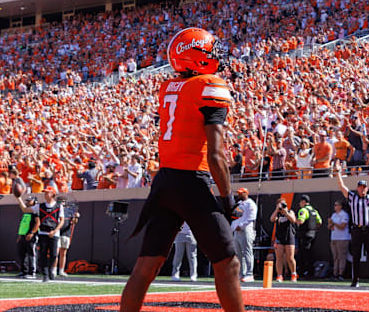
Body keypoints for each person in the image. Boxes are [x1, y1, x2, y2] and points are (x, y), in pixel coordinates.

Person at [120, 28, 243, 312]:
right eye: (210, 52)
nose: (217, 57)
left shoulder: (169, 87)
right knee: (228, 262)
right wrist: (227, 199)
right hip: (191, 180)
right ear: (197, 58)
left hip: (164, 180)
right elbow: (215, 154)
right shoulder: (210, 85)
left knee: (146, 266)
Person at [335, 168, 369, 288]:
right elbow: (342, 186)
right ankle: (355, 280)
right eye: (360, 187)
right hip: (357, 229)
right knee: (356, 256)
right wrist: (338, 172)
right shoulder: (352, 197)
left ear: (367, 188)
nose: (362, 189)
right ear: (357, 188)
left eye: (364, 187)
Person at [16, 186, 64, 282]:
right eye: (45, 192)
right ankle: (45, 274)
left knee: (54, 255)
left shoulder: (59, 206)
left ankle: (51, 270)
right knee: (43, 254)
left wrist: (54, 231)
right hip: (43, 233)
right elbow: (25, 209)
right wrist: (18, 198)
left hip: (54, 233)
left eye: (47, 192)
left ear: (53, 194)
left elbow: (61, 221)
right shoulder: (40, 206)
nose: (45, 194)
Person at [231, 187, 257, 282]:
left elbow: (251, 218)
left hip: (246, 230)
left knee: (247, 252)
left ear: (246, 193)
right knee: (238, 253)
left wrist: (241, 226)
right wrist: (233, 227)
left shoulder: (251, 204)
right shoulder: (238, 204)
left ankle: (249, 274)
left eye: (241, 193)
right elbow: (234, 217)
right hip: (237, 231)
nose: (239, 195)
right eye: (239, 193)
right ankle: (241, 273)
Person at [270, 197, 297, 282]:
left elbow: (293, 220)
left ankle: (293, 273)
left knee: (290, 258)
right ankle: (279, 275)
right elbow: (272, 219)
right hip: (279, 238)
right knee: (279, 258)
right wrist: (276, 210)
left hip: (289, 237)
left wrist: (286, 213)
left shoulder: (290, 212)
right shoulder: (277, 214)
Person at [295, 194, 322, 278]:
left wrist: (293, 219)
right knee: (310, 253)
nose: (299, 203)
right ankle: (311, 271)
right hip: (312, 235)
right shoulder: (314, 210)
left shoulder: (303, 210)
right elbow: (319, 222)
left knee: (304, 254)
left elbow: (301, 221)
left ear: (303, 202)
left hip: (304, 235)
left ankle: (304, 272)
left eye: (300, 202)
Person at [16, 195, 40, 279]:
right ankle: (24, 271)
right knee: (22, 254)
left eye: (30, 200)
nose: (27, 202)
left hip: (31, 235)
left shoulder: (35, 211)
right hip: (23, 235)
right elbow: (23, 224)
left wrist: (32, 232)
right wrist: (20, 235)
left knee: (31, 254)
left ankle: (32, 271)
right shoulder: (26, 212)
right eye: (27, 200)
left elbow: (37, 223)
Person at [328, 199, 351, 281]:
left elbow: (342, 226)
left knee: (342, 257)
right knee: (335, 257)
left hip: (343, 238)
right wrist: (330, 223)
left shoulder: (344, 215)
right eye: (334, 205)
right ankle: (335, 274)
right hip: (334, 238)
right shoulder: (333, 215)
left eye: (336, 205)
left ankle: (341, 274)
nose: (335, 206)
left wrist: (333, 223)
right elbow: (329, 227)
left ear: (340, 206)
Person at [56, 209, 80, 277]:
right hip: (57, 233)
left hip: (66, 234)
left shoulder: (70, 212)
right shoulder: (56, 210)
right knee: (55, 252)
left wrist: (76, 217)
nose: (62, 203)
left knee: (63, 253)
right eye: (60, 201)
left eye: (63, 201)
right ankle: (53, 270)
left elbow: (74, 222)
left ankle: (61, 270)